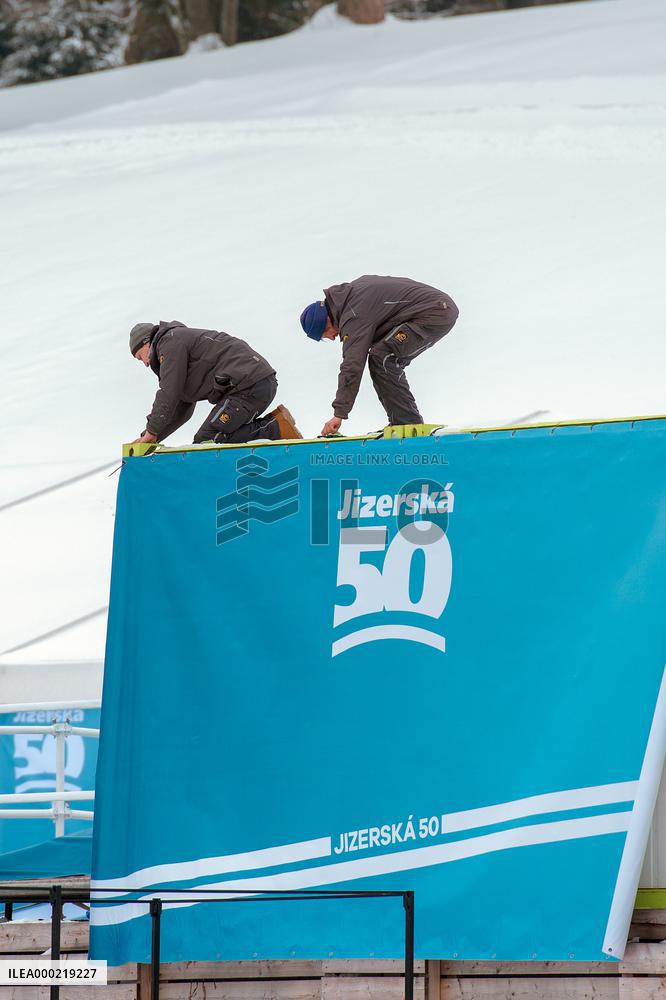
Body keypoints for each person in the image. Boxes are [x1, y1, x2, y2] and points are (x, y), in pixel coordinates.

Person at [300, 275, 459, 436]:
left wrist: (339, 414)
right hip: (432, 308)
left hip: (435, 312)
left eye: (325, 334)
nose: (333, 338)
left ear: (326, 320)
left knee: (383, 357)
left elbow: (352, 365)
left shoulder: (353, 314)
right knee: (380, 355)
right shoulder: (349, 298)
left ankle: (408, 424)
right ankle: (402, 422)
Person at [129, 320, 301, 445]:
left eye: (140, 357)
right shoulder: (175, 344)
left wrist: (152, 431)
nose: (144, 363)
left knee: (208, 440)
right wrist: (152, 436)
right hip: (254, 384)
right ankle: (276, 425)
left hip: (248, 385)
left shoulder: (170, 341)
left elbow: (168, 392)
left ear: (147, 342)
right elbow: (181, 408)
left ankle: (276, 428)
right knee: (209, 440)